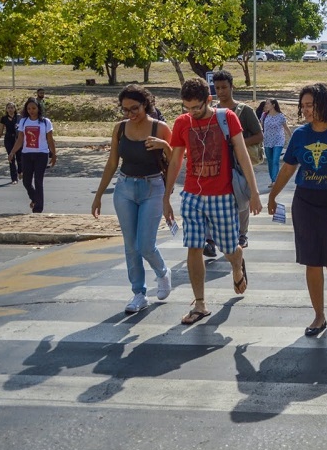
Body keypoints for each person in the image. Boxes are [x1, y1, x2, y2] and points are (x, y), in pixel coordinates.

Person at [163, 77, 262, 326]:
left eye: (196, 107)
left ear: (208, 100)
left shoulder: (226, 117)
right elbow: (175, 161)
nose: (192, 113)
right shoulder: (182, 123)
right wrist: (166, 197)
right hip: (192, 196)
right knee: (193, 247)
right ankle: (200, 304)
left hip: (222, 196)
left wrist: (255, 192)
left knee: (228, 248)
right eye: (187, 108)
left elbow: (242, 154)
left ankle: (237, 264)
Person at [268, 83, 327, 336]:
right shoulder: (300, 135)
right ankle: (319, 316)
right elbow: (288, 168)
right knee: (312, 261)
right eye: (303, 105)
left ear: (326, 104)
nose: (306, 110)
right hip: (305, 203)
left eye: (311, 105)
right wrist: (273, 195)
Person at [91, 84, 173, 314]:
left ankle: (163, 273)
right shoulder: (119, 129)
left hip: (153, 187)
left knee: (145, 244)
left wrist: (164, 145)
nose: (130, 114)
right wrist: (98, 196)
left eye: (134, 108)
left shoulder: (161, 128)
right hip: (125, 188)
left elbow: (178, 159)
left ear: (145, 104)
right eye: (125, 110)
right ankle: (139, 293)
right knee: (130, 246)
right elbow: (111, 164)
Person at [209, 70, 263, 250]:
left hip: (239, 164)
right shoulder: (213, 111)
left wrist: (237, 143)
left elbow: (259, 136)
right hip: (217, 163)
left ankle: (242, 234)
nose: (221, 91)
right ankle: (210, 238)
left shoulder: (244, 111)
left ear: (232, 87)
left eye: (224, 87)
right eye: (217, 88)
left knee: (242, 198)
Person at [8, 97, 55, 212]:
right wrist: (12, 152)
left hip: (41, 154)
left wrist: (54, 154)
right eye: (29, 108)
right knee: (26, 182)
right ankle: (35, 198)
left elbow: (50, 140)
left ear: (38, 108)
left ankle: (38, 209)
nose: (31, 111)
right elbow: (20, 140)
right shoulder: (23, 121)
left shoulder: (45, 122)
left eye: (34, 108)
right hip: (27, 154)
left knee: (38, 181)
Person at [261, 98, 292, 186]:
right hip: (267, 141)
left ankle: (275, 181)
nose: (266, 105)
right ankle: (273, 179)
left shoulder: (280, 116)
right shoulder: (264, 115)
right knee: (270, 161)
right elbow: (261, 128)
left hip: (278, 140)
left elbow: (286, 127)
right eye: (266, 104)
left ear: (273, 105)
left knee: (275, 160)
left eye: (268, 104)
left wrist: (292, 138)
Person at [0, 102, 22, 184]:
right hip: (8, 139)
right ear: (6, 109)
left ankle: (20, 172)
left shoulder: (19, 117)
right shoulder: (4, 118)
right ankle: (14, 178)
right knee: (11, 158)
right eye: (8, 108)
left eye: (12, 107)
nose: (10, 109)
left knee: (19, 157)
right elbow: (0, 132)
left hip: (17, 139)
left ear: (15, 108)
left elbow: (23, 129)